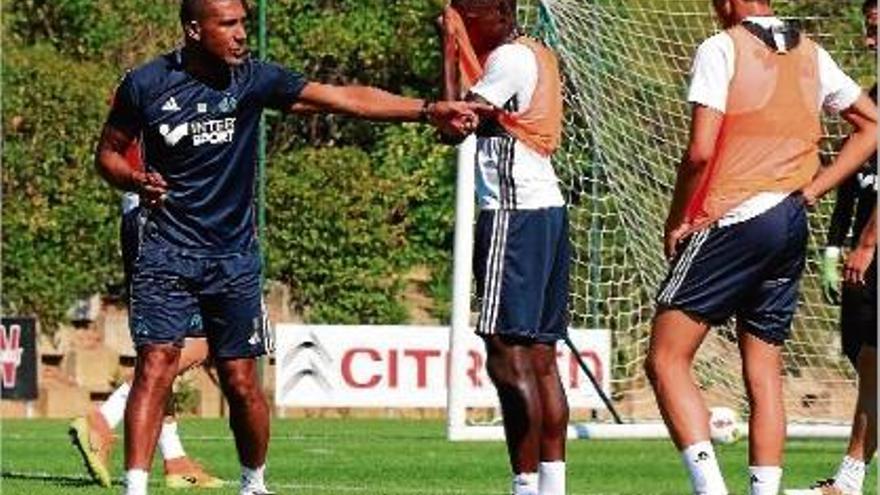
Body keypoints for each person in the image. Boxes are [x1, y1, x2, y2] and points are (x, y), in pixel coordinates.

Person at [94, 1, 485, 494]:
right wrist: (131, 176)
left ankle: (254, 483)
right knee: (155, 364)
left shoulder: (254, 80)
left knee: (240, 380)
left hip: (233, 258)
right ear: (194, 30)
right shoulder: (145, 84)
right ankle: (135, 488)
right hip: (165, 250)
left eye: (242, 22)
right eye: (228, 24)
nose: (240, 34)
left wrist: (428, 111)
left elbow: (347, 99)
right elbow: (106, 154)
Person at [643, 0, 878, 494]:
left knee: (666, 359)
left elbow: (700, 151)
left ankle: (711, 490)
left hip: (735, 215)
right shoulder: (812, 52)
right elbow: (873, 125)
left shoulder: (720, 48)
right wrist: (813, 190)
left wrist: (679, 217)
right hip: (790, 220)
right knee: (764, 369)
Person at [440, 1, 569, 494]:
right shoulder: (532, 53)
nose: (460, 20)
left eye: (466, 12)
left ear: (497, 12)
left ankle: (526, 484)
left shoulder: (509, 60)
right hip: (547, 211)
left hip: (516, 216)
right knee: (540, 358)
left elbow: (453, 125)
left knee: (504, 352)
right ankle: (552, 487)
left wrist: (447, 52)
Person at [70, 128, 222, 490]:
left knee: (163, 342)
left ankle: (174, 458)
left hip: (147, 213)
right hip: (170, 218)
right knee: (208, 335)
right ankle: (103, 418)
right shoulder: (171, 85)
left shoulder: (143, 87)